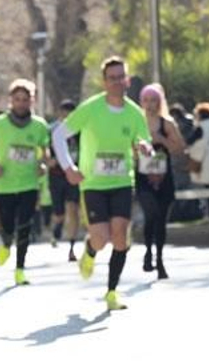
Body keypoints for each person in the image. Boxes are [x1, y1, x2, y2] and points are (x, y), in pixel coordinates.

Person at [51, 56, 153, 311]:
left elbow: (144, 141)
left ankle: (111, 292)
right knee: (101, 238)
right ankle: (89, 250)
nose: (118, 82)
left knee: (120, 237)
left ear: (127, 80)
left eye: (122, 77)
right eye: (113, 78)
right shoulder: (91, 108)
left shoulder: (134, 113)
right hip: (93, 184)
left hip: (121, 181)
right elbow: (59, 135)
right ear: (104, 82)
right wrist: (68, 168)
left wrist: (144, 147)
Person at [0, 79, 51, 286]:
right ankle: (4, 243)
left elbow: (44, 149)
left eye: (25, 100)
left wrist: (42, 163)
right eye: (17, 99)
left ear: (32, 101)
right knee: (7, 224)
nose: (21, 103)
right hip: (4, 182)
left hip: (29, 182)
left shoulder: (39, 125)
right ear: (11, 100)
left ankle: (20, 269)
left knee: (25, 226)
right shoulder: (0, 123)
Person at [135, 83, 185, 279]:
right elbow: (128, 147)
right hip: (143, 177)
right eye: (146, 100)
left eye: (154, 100)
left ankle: (160, 259)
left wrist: (161, 140)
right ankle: (148, 252)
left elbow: (179, 148)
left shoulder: (167, 123)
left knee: (161, 219)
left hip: (164, 177)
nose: (150, 104)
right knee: (151, 214)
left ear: (160, 102)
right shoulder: (136, 122)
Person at [47, 99, 83, 260]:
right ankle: (57, 227)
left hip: (74, 174)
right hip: (56, 175)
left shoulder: (80, 131)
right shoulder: (51, 130)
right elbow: (42, 150)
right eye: (64, 113)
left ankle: (72, 247)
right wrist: (48, 160)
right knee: (59, 213)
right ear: (60, 114)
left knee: (73, 209)